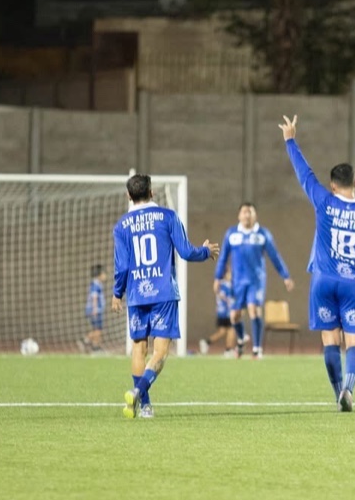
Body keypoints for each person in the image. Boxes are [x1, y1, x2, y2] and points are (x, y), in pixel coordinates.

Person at [280, 114, 355, 412]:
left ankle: (336, 394)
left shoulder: (324, 200)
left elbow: (305, 174)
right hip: (353, 283)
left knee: (330, 342)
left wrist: (290, 140)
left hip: (323, 282)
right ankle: (349, 389)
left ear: (332, 185)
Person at [111, 174, 218, 418]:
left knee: (139, 349)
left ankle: (145, 406)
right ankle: (139, 393)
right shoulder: (167, 216)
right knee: (160, 353)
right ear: (152, 193)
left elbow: (122, 266)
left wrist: (117, 293)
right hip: (163, 293)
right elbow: (186, 251)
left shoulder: (121, 226)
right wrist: (205, 251)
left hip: (137, 294)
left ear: (129, 196)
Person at [213, 202, 295, 359]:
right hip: (237, 282)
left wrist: (285, 276)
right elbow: (223, 257)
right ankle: (242, 338)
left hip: (256, 280)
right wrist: (218, 278)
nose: (247, 215)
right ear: (239, 215)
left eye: (250, 212)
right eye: (244, 212)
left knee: (253, 310)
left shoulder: (263, 234)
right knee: (234, 316)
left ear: (255, 215)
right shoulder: (232, 234)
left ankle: (257, 349)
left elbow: (275, 256)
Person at [199, 278, 239, 357]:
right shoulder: (224, 285)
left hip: (223, 312)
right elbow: (226, 298)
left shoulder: (224, 284)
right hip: (226, 312)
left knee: (223, 331)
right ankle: (228, 350)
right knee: (232, 329)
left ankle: (207, 342)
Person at [82, 264, 107, 354]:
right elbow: (94, 297)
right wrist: (95, 309)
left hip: (96, 310)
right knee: (97, 330)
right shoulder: (95, 285)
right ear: (99, 274)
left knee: (97, 329)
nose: (105, 276)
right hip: (95, 310)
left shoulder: (97, 284)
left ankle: (95, 346)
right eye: (104, 273)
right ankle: (86, 341)